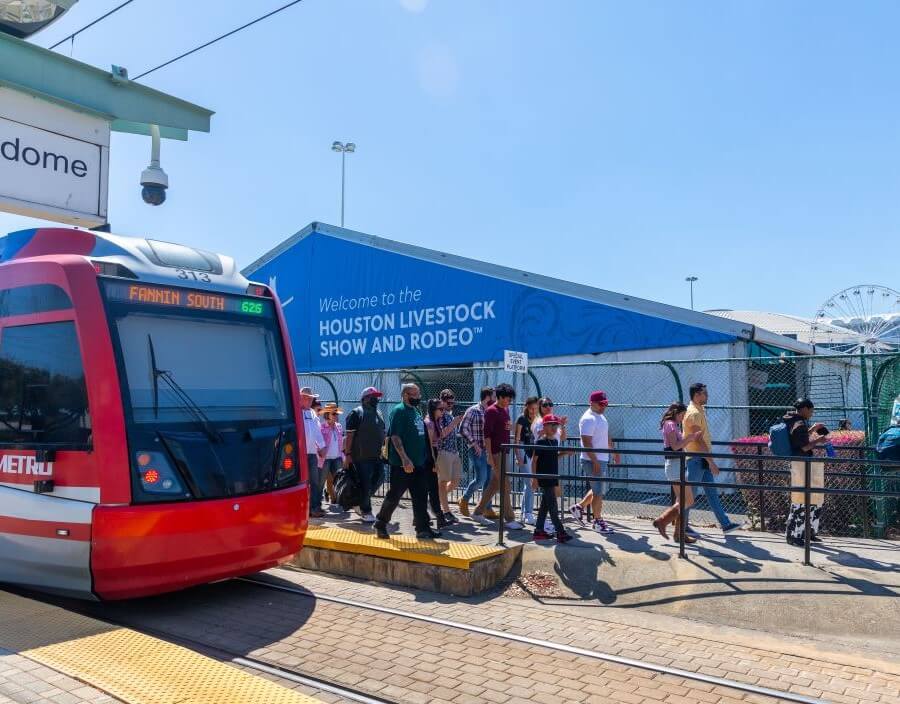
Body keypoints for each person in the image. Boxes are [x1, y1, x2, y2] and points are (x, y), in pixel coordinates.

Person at [374, 383, 439, 540]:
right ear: (405, 395)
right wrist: (405, 459)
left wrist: (428, 459)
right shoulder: (399, 411)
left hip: (419, 464)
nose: (418, 397)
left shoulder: (415, 411)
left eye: (418, 394)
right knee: (394, 495)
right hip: (403, 465)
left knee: (421, 496)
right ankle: (380, 523)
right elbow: (395, 436)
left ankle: (423, 529)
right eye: (414, 394)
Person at [683, 383, 741, 534]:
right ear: (697, 395)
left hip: (701, 459)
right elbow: (699, 440)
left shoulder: (699, 410)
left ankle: (725, 524)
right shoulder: (694, 413)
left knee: (711, 493)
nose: (707, 396)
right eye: (705, 393)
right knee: (690, 496)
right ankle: (681, 527)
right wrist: (711, 462)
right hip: (697, 460)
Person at [473, 383, 523, 530]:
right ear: (500, 397)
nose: (509, 401)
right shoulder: (491, 411)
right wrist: (489, 455)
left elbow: (505, 428)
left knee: (495, 484)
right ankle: (509, 518)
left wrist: (510, 427)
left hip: (504, 451)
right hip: (496, 452)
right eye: (507, 398)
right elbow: (486, 435)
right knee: (506, 484)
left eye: (510, 399)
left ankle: (477, 512)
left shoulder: (504, 410)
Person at [651, 402, 703, 543]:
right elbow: (675, 447)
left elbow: (678, 446)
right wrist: (690, 438)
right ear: (676, 413)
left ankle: (679, 534)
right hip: (675, 465)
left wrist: (688, 439)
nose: (683, 418)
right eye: (682, 415)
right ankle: (663, 520)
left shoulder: (672, 424)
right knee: (688, 500)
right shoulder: (671, 424)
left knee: (682, 501)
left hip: (677, 465)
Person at [783, 399, 830, 546]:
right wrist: (819, 440)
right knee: (801, 501)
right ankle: (794, 535)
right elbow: (803, 448)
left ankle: (806, 532)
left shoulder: (793, 420)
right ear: (804, 409)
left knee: (810, 498)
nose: (812, 413)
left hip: (799, 464)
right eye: (811, 410)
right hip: (801, 464)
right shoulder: (800, 424)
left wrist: (813, 429)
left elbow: (798, 441)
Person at [574, 391, 619, 534]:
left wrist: (614, 452)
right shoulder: (588, 419)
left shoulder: (600, 417)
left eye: (605, 404)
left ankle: (579, 508)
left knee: (598, 489)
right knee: (599, 491)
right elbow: (586, 442)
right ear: (592, 403)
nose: (603, 407)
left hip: (600, 459)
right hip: (592, 460)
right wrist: (594, 460)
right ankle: (597, 521)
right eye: (601, 404)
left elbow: (606, 436)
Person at [343, 387, 386, 523]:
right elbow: (349, 436)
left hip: (377, 455)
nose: (376, 399)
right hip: (361, 457)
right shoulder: (356, 413)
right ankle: (366, 510)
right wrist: (347, 454)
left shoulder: (378, 412)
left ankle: (359, 501)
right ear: (365, 398)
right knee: (366, 484)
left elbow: (383, 432)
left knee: (380, 478)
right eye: (373, 396)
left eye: (377, 397)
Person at [531, 415, 574, 543]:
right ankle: (560, 532)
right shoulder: (540, 442)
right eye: (551, 425)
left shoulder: (554, 441)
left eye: (556, 425)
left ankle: (538, 531)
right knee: (553, 506)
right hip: (544, 478)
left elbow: (554, 457)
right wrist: (535, 479)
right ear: (544, 426)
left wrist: (565, 452)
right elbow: (534, 461)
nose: (554, 427)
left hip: (552, 476)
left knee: (545, 505)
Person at [458, 387, 496, 520]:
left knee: (489, 480)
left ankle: (487, 508)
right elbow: (462, 428)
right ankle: (464, 499)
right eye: (494, 396)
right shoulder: (473, 410)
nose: (496, 398)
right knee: (481, 479)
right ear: (488, 397)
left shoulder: (492, 411)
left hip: (489, 450)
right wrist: (474, 444)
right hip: (477, 449)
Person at [435, 389, 465, 523]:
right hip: (444, 451)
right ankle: (446, 511)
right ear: (442, 401)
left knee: (456, 480)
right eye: (448, 402)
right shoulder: (440, 414)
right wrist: (454, 423)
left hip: (454, 451)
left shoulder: (450, 414)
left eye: (452, 402)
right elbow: (441, 434)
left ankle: (438, 499)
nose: (451, 405)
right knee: (443, 481)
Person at [424, 399, 453, 528]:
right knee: (429, 488)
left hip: (434, 454)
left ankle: (438, 518)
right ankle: (436, 517)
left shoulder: (436, 422)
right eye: (440, 409)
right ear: (433, 410)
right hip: (428, 456)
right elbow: (429, 444)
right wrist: (434, 462)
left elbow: (440, 436)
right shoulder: (429, 423)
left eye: (443, 409)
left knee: (432, 488)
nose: (443, 411)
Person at [300, 387, 326, 518]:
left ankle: (314, 508)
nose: (310, 400)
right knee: (301, 483)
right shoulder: (295, 412)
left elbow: (317, 431)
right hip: (299, 454)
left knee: (314, 482)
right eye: (307, 397)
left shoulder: (312, 413)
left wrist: (321, 447)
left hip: (311, 453)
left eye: (310, 398)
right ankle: (303, 509)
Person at [515, 396, 540, 524]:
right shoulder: (521, 419)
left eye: (535, 408)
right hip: (523, 452)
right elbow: (517, 439)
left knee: (529, 484)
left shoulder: (537, 419)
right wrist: (518, 456)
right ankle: (528, 513)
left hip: (533, 453)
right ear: (526, 407)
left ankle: (524, 512)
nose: (533, 411)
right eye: (531, 408)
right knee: (530, 483)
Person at [319, 403, 344, 511]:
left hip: (337, 457)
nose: (336, 416)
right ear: (327, 414)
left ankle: (340, 500)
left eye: (336, 413)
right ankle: (316, 503)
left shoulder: (339, 426)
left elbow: (340, 442)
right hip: (326, 458)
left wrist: (343, 455)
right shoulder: (322, 427)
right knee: (321, 481)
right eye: (334, 413)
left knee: (338, 480)